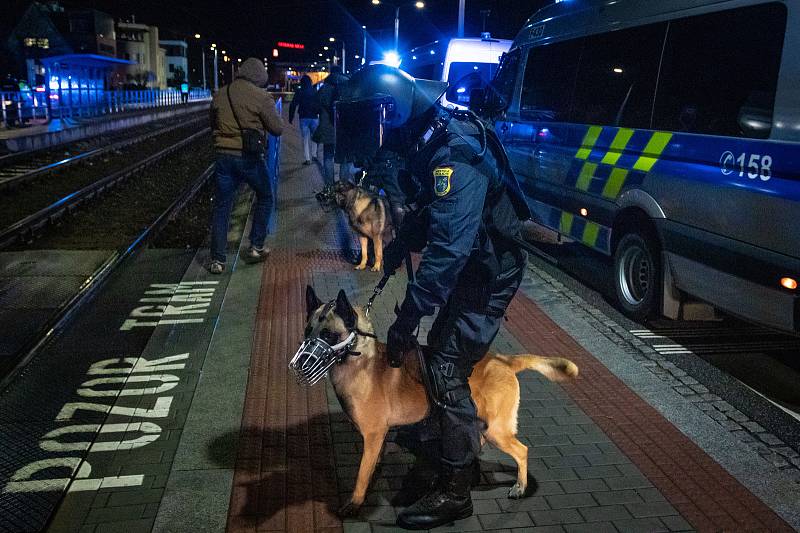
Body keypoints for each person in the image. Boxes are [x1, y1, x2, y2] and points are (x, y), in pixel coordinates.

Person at [335, 65, 531, 529]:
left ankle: (455, 489)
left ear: (396, 111)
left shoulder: (452, 157)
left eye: (381, 120)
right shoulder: (430, 136)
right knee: (442, 357)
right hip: (473, 267)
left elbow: (448, 252)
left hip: (488, 275)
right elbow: (432, 217)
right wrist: (402, 244)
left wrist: (406, 317)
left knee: (444, 367)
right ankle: (443, 444)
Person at [209, 57, 283, 275]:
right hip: (248, 157)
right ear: (260, 77)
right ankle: (256, 246)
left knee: (222, 206)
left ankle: (217, 260)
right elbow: (278, 128)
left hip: (223, 156)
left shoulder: (221, 93)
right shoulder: (261, 96)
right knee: (266, 196)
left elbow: (212, 123)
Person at [313, 67, 349, 184]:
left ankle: (330, 186)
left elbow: (316, 107)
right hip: (344, 130)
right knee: (345, 158)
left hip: (328, 130)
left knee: (328, 157)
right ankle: (343, 187)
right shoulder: (348, 87)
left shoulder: (323, 89)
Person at [289, 75, 321, 165]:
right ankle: (314, 155)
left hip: (303, 118)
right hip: (314, 117)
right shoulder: (315, 91)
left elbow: (293, 104)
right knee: (315, 137)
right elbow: (319, 104)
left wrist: (290, 118)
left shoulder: (300, 91)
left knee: (305, 139)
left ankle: (307, 159)